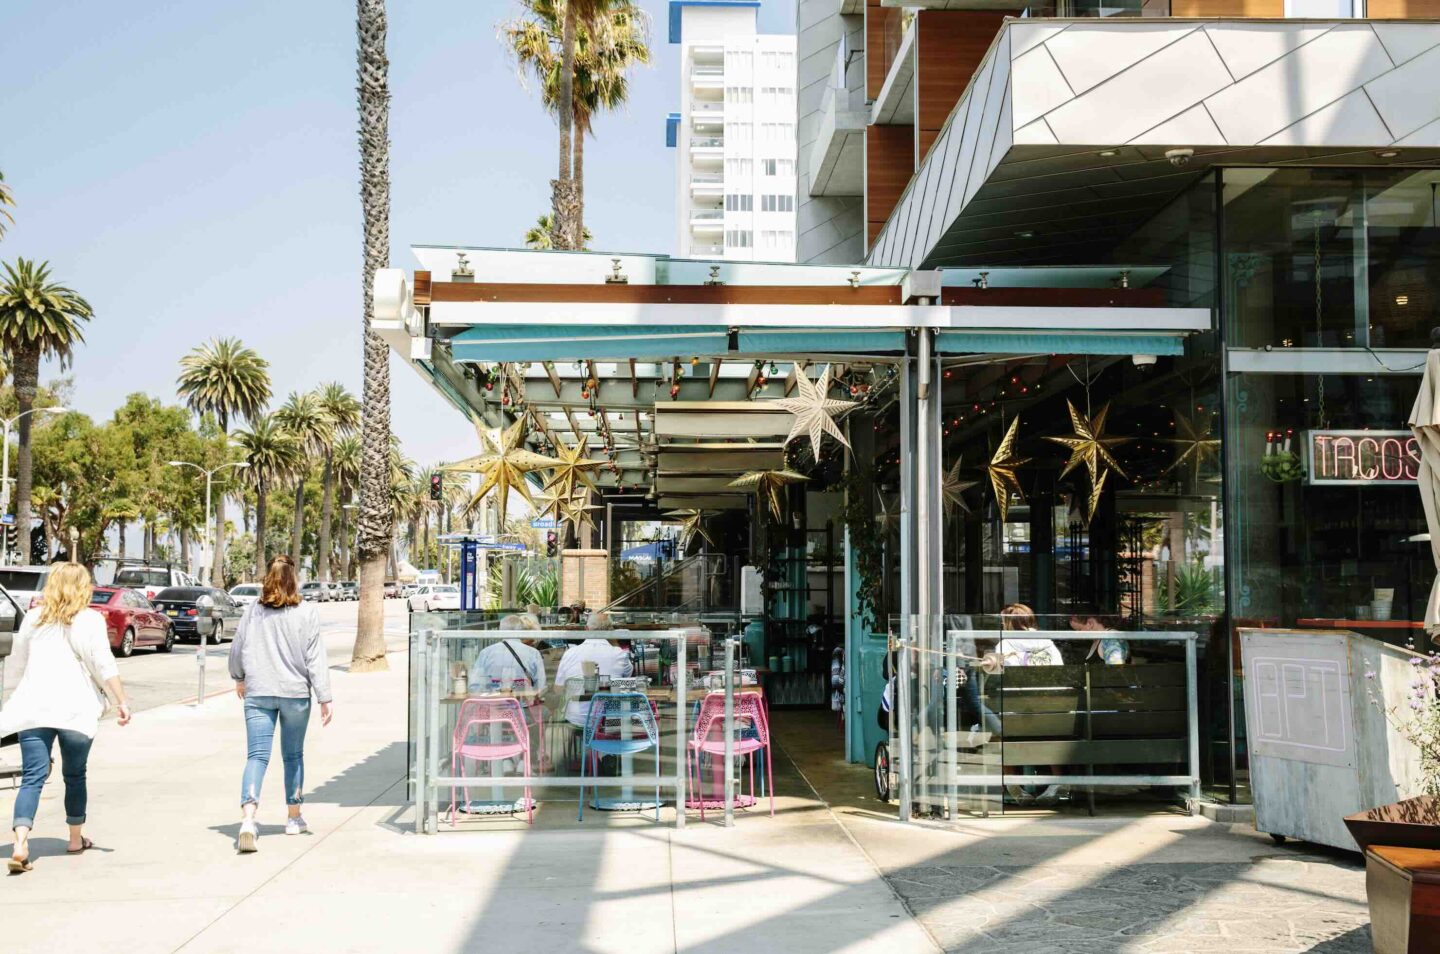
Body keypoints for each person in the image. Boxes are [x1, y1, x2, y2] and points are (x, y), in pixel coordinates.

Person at [2, 562, 132, 873]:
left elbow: (16, 665)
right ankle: (75, 839)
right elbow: (103, 664)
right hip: (75, 709)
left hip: (34, 709)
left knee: (33, 776)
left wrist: (10, 700)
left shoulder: (34, 618)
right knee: (75, 775)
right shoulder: (90, 620)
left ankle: (20, 843)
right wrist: (121, 701)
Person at [228, 555, 334, 853]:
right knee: (293, 755)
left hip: (259, 691)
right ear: (293, 579)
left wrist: (238, 677)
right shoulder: (307, 612)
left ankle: (248, 818)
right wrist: (324, 696)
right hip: (295, 693)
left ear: (268, 579)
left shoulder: (253, 611)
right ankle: (293, 817)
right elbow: (315, 658)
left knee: (257, 756)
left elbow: (238, 647)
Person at [996, 603, 1065, 806]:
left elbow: (1002, 679)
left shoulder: (1004, 644)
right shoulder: (1047, 642)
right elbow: (1060, 674)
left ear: (1008, 623)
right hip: (1050, 710)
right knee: (1049, 731)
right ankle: (1058, 781)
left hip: (1019, 712)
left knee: (999, 730)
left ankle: (1012, 785)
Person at [553, 612, 633, 727]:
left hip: (576, 718)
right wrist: (614, 641)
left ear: (586, 628)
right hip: (610, 720)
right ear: (611, 632)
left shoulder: (570, 653)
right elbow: (626, 679)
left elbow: (558, 690)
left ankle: (583, 742)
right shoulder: (618, 654)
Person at [469, 614, 547, 694]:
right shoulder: (533, 653)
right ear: (521, 631)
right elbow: (540, 686)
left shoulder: (486, 653)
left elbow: (474, 685)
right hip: (523, 704)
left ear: (500, 630)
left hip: (492, 704)